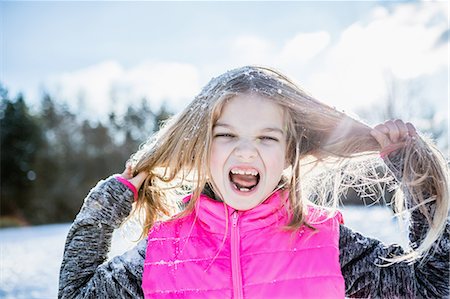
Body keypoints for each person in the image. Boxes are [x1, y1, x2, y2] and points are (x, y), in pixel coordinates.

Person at [59, 66, 449, 298]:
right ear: (200, 146)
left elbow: (432, 288)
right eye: (226, 135)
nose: (246, 152)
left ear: (289, 153)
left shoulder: (328, 243)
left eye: (267, 137)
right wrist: (108, 203)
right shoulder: (161, 254)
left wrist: (413, 174)